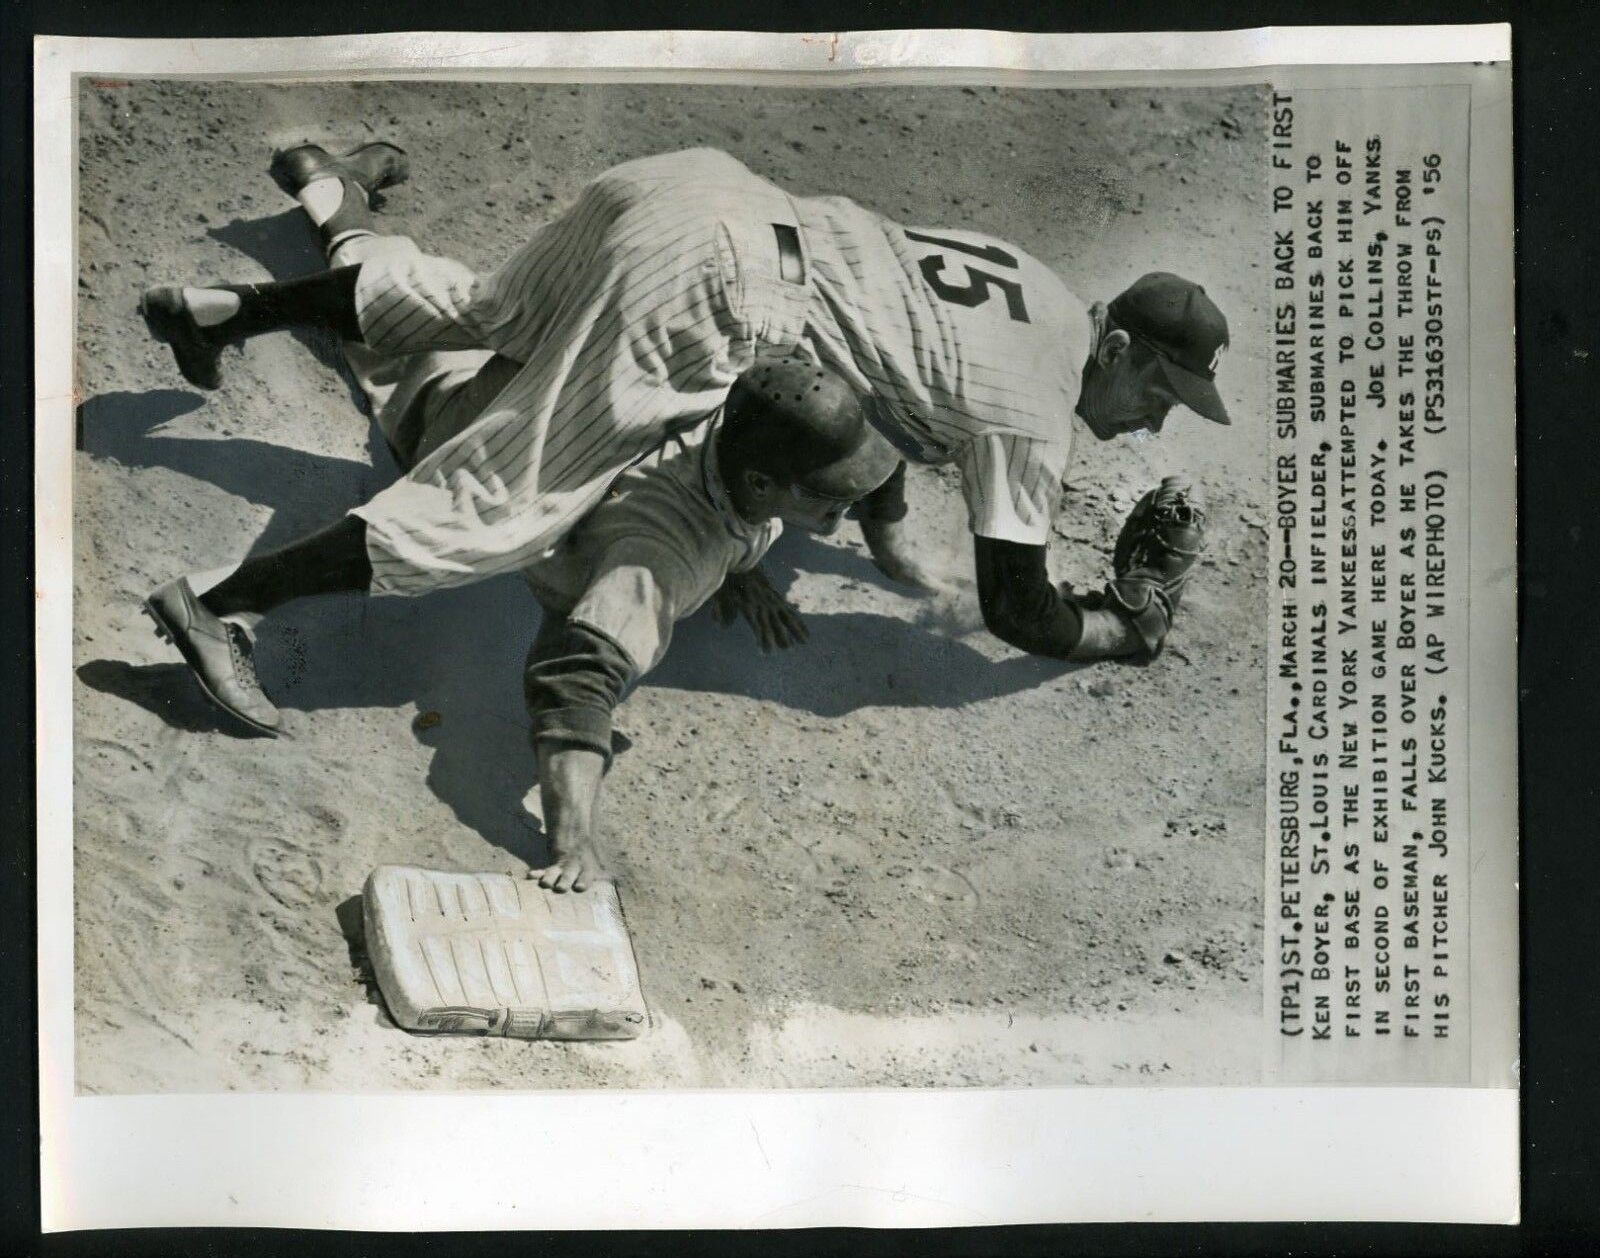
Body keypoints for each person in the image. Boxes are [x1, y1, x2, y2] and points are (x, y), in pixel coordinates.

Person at [140, 142, 1228, 676]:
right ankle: (218, 604)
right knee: (500, 505)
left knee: (479, 307)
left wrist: (893, 548)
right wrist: (1122, 632)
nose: (1153, 419)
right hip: (705, 293)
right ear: (1119, 345)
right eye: (1156, 390)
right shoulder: (1036, 408)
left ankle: (229, 312)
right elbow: (1020, 612)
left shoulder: (1032, 281)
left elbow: (899, 400)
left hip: (688, 191)